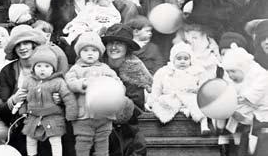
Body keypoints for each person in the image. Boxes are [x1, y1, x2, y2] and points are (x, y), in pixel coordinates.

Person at [0, 25, 68, 155]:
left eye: (26, 43)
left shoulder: (51, 66)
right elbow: (2, 112)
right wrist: (14, 100)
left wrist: (60, 100)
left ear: (34, 44)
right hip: (23, 125)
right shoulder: (7, 72)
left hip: (52, 122)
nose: (22, 48)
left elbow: (67, 97)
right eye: (18, 45)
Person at [65, 32, 131, 156]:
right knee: (83, 143)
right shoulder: (76, 69)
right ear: (79, 53)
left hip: (104, 115)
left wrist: (115, 88)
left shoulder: (105, 69)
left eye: (94, 50)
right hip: (83, 116)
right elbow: (69, 82)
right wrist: (83, 83)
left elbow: (118, 83)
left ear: (99, 53)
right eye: (85, 50)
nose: (90, 53)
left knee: (103, 143)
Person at [101, 24, 151, 156]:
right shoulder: (97, 65)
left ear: (127, 47)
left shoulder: (134, 69)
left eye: (119, 44)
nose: (113, 47)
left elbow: (137, 107)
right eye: (110, 43)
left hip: (124, 125)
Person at [19, 45, 78, 156]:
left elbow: (68, 97)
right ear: (33, 68)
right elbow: (23, 97)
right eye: (39, 66)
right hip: (33, 117)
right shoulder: (28, 81)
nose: (42, 69)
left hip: (53, 117)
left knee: (55, 140)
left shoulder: (58, 82)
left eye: (47, 66)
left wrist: (71, 114)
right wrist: (22, 110)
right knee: (30, 139)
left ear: (53, 69)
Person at [147, 42, 210, 134]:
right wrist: (153, 100)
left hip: (189, 97)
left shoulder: (196, 71)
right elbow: (157, 87)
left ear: (191, 59)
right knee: (162, 104)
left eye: (186, 59)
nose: (182, 61)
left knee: (198, 104)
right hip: (172, 97)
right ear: (173, 59)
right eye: (179, 58)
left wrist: (196, 89)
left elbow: (204, 86)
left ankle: (204, 125)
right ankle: (182, 110)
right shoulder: (165, 71)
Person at [221, 44, 268, 156]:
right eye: (228, 72)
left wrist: (234, 106)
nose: (230, 75)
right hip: (248, 125)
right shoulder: (239, 81)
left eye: (233, 71)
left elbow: (248, 99)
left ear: (243, 67)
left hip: (262, 122)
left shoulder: (261, 77)